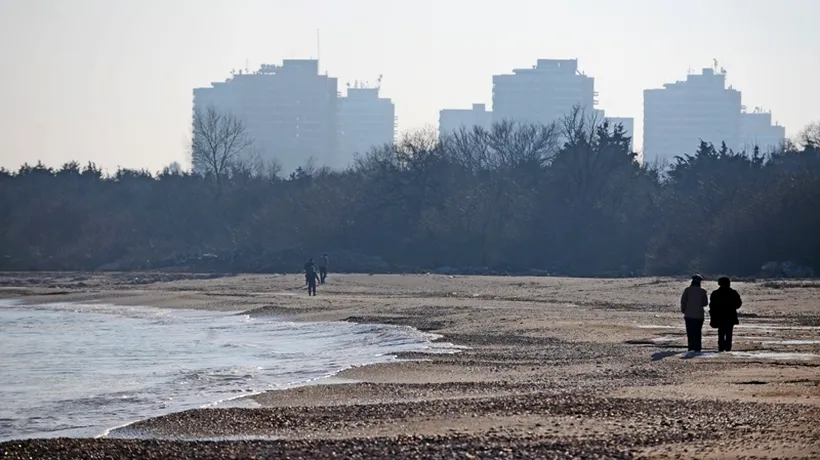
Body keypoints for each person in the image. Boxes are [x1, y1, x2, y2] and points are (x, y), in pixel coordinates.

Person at [709, 277, 742, 352]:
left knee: (721, 333)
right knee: (729, 334)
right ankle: (727, 348)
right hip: (730, 317)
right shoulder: (733, 292)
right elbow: (738, 304)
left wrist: (713, 317)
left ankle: (721, 348)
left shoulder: (715, 293)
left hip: (719, 317)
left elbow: (712, 306)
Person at [680, 274, 709, 352]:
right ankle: (697, 347)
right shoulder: (703, 291)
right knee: (698, 331)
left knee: (690, 332)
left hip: (689, 314)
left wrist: (683, 310)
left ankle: (691, 346)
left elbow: (683, 301)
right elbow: (705, 303)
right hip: (699, 315)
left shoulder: (687, 290)